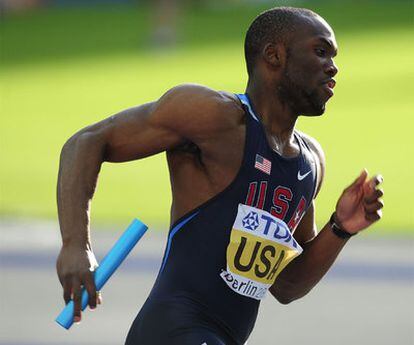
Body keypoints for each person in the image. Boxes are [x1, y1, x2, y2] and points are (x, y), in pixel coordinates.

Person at [56, 6, 384, 345]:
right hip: (172, 330)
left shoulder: (309, 162)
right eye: (320, 51)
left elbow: (287, 285)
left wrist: (340, 228)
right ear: (274, 56)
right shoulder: (214, 117)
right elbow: (87, 142)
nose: (333, 68)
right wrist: (75, 245)